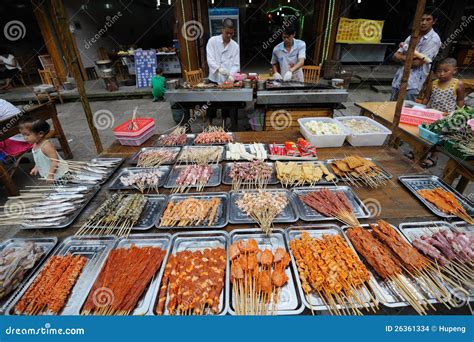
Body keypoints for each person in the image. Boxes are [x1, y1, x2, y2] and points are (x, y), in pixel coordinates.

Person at [418, 57, 465, 168]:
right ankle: (421, 153)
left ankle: (434, 156)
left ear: (454, 70)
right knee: (426, 135)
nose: (441, 74)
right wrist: (421, 109)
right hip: (431, 115)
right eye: (439, 71)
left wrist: (459, 115)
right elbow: (426, 98)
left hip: (446, 118)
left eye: (445, 71)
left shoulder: (457, 84)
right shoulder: (433, 83)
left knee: (439, 138)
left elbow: (460, 100)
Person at [391, 8, 441, 102]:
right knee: (390, 109)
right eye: (421, 20)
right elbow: (395, 56)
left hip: (413, 84)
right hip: (398, 80)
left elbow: (417, 63)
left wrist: (403, 57)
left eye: (428, 19)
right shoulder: (413, 36)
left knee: (404, 111)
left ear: (434, 21)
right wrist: (409, 58)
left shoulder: (434, 40)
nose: (424, 23)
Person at [206, 18, 240, 125]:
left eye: (231, 33)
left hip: (227, 81)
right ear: (222, 29)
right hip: (214, 79)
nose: (229, 35)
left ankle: (225, 124)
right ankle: (210, 124)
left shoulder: (235, 46)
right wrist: (218, 69)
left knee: (226, 103)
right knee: (211, 104)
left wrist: (231, 76)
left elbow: (236, 64)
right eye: (227, 33)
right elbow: (210, 59)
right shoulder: (212, 41)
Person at [19, 116, 68, 183]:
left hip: (60, 174)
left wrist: (51, 175)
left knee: (67, 189)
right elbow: (38, 159)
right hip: (51, 175)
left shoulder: (46, 146)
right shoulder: (35, 144)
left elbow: (55, 161)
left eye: (27, 135)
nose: (25, 138)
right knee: (59, 189)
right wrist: (36, 167)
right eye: (23, 135)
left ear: (40, 134)